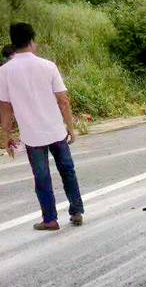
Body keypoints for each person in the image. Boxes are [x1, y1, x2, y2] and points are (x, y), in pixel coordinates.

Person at [0, 23, 84, 230]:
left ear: (13, 41)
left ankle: (50, 219)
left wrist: (6, 137)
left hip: (32, 135)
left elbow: (5, 108)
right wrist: (70, 128)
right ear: (31, 40)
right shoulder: (48, 66)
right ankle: (77, 211)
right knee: (68, 171)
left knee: (42, 177)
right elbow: (63, 100)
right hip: (56, 130)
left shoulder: (4, 71)